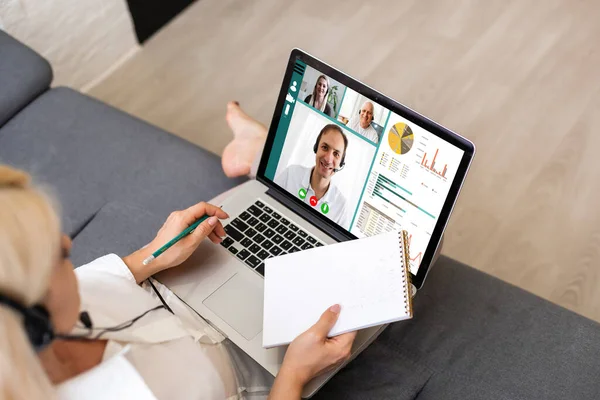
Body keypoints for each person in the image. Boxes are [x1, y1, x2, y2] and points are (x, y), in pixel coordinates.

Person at [0, 165, 357, 399]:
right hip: (253, 374)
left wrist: (156, 251)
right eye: (55, 254)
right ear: (32, 322)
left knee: (255, 195)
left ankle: (253, 151)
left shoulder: (30, 313)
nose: (67, 243)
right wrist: (295, 372)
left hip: (180, 294)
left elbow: (108, 277)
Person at [274, 124, 350, 228]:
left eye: (336, 154)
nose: (328, 159)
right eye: (324, 147)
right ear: (316, 148)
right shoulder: (291, 174)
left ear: (341, 163)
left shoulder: (341, 206)